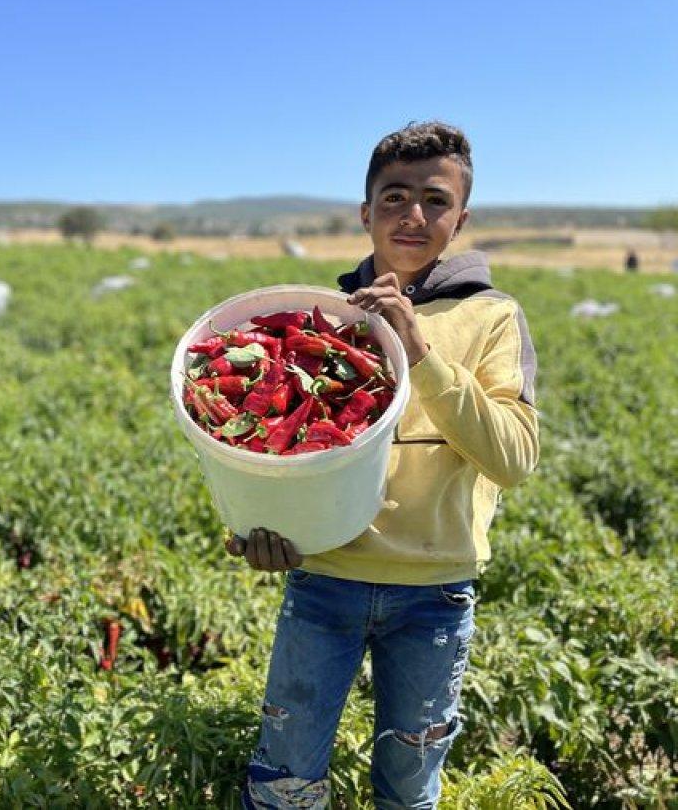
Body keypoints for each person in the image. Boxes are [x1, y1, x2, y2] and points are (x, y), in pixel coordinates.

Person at [229, 122, 539, 809]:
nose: (414, 215)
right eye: (395, 198)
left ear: (461, 218)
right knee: (283, 782)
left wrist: (419, 353)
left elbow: (514, 457)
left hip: (433, 594)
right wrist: (263, 525)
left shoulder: (491, 317)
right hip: (326, 582)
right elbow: (276, 450)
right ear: (366, 213)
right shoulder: (323, 320)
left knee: (407, 792)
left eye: (435, 199)